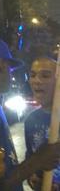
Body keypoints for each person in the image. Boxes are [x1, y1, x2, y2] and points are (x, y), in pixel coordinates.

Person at [0, 39, 60, 190]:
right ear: (1, 64)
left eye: (45, 76)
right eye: (11, 69)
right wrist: (38, 162)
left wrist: (33, 172)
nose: (36, 81)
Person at [24, 56, 60, 190]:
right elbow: (30, 158)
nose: (37, 81)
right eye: (33, 75)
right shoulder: (31, 120)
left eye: (45, 76)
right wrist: (31, 177)